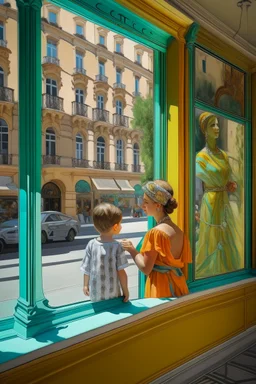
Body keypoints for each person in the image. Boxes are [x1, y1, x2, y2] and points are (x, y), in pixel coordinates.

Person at [121, 180, 192, 298]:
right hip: (179, 285)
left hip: (161, 288)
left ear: (158, 205)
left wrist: (132, 250)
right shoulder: (179, 232)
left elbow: (145, 268)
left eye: (146, 202)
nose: (142, 205)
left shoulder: (156, 233)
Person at [195, 112, 243, 278]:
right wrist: (222, 184)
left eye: (217, 124)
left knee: (227, 235)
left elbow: (226, 178)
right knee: (212, 239)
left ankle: (228, 274)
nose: (216, 128)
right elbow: (205, 180)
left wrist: (230, 184)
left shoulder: (223, 155)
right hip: (211, 201)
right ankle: (209, 275)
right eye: (212, 125)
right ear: (204, 130)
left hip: (223, 200)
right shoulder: (200, 157)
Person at [81, 203, 129, 303]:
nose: (121, 226)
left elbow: (87, 268)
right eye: (120, 223)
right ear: (115, 227)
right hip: (113, 294)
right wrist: (126, 291)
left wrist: (85, 285)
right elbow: (121, 272)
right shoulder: (117, 247)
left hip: (95, 294)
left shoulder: (91, 244)